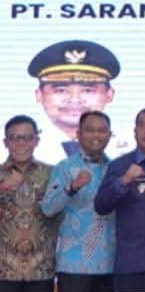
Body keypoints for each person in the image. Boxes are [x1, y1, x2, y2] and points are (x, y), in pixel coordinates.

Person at [94, 107, 145, 292]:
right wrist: (124, 180)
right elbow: (101, 205)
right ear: (135, 131)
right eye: (142, 125)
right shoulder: (120, 166)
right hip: (133, 266)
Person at [40, 111, 115, 292]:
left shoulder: (116, 169)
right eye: (90, 130)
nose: (96, 135)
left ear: (109, 135)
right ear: (78, 134)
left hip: (110, 264)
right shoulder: (65, 167)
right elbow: (48, 208)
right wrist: (72, 187)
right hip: (73, 266)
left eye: (101, 130)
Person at [27, 39, 124, 160]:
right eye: (61, 90)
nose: (74, 100)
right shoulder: (21, 147)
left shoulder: (129, 148)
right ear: (39, 95)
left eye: (87, 91)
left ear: (109, 95)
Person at [0, 115, 57, 292]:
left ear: (36, 141)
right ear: (5, 142)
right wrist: (3, 188)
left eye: (27, 137)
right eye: (14, 138)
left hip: (41, 270)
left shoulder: (53, 173)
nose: (21, 143)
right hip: (3, 271)